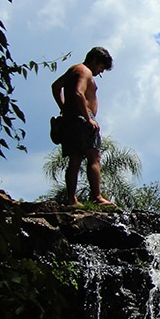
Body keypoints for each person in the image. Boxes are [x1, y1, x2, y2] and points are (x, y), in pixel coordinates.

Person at [51, 46, 116, 207]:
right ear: (94, 60)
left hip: (71, 118)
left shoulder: (73, 69)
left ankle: (71, 199)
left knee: (75, 158)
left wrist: (64, 107)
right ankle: (97, 197)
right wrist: (88, 119)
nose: (100, 72)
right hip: (82, 119)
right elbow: (79, 93)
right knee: (94, 157)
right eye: (101, 67)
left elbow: (56, 86)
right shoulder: (84, 71)